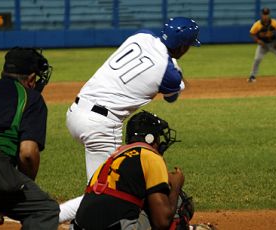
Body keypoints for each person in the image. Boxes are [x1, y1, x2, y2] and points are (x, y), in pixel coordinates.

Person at [59, 17, 201, 222]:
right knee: (106, 194)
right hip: (101, 126)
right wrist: (177, 70)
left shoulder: (142, 35)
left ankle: (82, 223)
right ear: (182, 47)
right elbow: (172, 97)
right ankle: (46, 218)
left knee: (101, 188)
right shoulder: (169, 74)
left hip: (76, 112)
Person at [0, 47, 59, 229]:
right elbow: (28, 153)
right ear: (30, 79)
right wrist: (19, 185)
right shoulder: (31, 98)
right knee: (44, 210)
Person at [72, 111, 188, 230]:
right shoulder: (150, 156)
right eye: (158, 136)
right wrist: (176, 187)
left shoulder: (114, 158)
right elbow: (162, 222)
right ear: (150, 138)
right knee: (178, 202)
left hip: (78, 226)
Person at [247, 7, 276, 83]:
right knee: (257, 59)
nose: (265, 16)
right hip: (263, 44)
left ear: (269, 14)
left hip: (273, 43)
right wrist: (258, 40)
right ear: (261, 15)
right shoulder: (257, 25)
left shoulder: (274, 23)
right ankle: (252, 76)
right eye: (264, 14)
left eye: (267, 14)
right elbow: (252, 33)